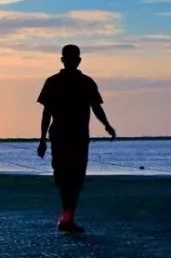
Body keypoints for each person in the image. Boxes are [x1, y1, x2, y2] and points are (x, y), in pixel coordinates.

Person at [37, 44, 115, 232]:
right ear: (65, 60)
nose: (71, 62)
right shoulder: (55, 82)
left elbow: (96, 107)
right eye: (70, 59)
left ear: (75, 61)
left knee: (73, 177)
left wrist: (106, 124)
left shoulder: (84, 82)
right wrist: (42, 140)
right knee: (68, 177)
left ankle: (67, 216)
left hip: (74, 137)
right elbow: (47, 112)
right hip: (66, 136)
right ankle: (67, 217)